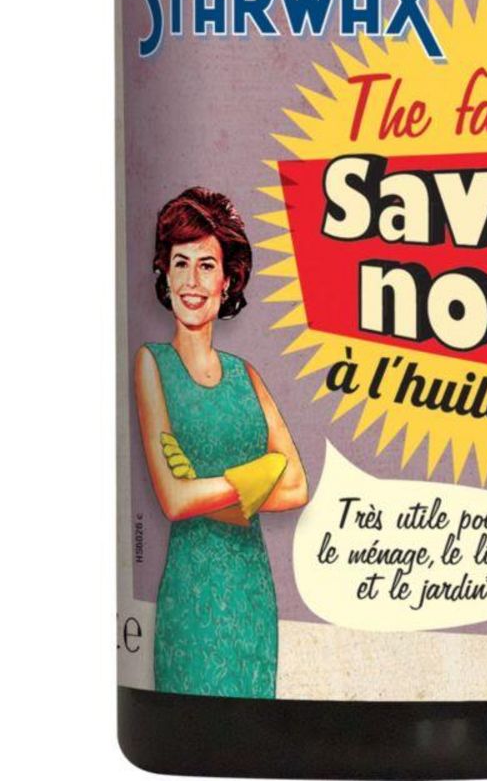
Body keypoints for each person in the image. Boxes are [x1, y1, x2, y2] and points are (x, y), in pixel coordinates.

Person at [134, 187, 309, 698]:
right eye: (180, 263)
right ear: (165, 274)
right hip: (192, 598)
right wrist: (259, 475)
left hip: (252, 595)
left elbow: (297, 486)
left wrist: (205, 487)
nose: (192, 281)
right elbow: (173, 499)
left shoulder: (245, 375)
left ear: (227, 279)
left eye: (206, 266)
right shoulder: (151, 364)